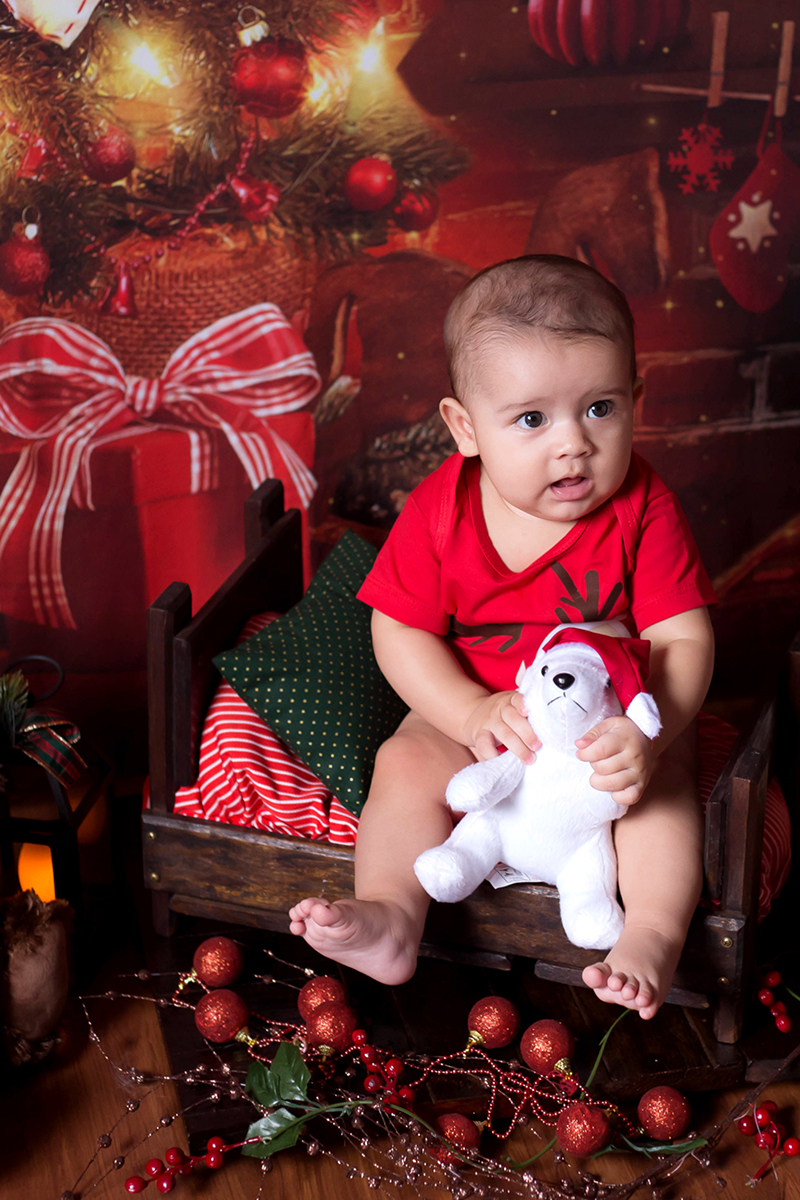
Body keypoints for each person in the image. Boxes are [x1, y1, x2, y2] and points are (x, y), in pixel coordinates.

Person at [289, 254, 716, 1020]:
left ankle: (651, 934)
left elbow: (682, 639)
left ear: (636, 400)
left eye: (600, 409)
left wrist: (654, 731)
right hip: (489, 712)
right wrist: (463, 714)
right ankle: (389, 914)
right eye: (531, 419)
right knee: (405, 758)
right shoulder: (440, 509)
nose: (573, 445)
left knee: (662, 790)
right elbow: (400, 631)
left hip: (609, 724)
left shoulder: (644, 507)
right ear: (465, 428)